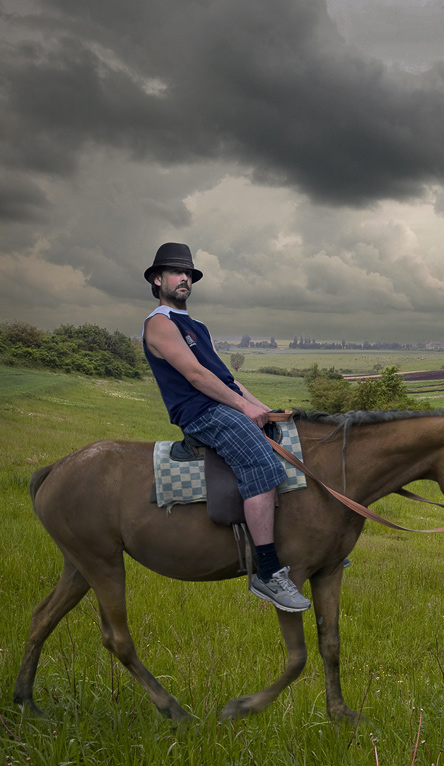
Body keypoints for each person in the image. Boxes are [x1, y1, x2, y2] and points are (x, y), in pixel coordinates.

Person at [142, 242, 310, 612]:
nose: (184, 278)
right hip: (201, 412)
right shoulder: (159, 323)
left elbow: (226, 378)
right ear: (158, 280)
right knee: (261, 467)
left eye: (189, 273)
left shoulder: (197, 325)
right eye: (175, 272)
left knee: (291, 441)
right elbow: (196, 375)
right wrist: (241, 408)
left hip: (222, 402)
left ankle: (309, 545)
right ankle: (266, 574)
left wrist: (264, 408)